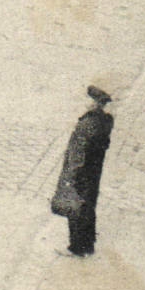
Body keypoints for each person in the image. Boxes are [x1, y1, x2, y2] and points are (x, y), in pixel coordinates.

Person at [54, 85, 114, 257]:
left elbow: (79, 150)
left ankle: (77, 246)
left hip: (81, 170)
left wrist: (74, 172)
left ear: (94, 103)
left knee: (76, 206)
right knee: (87, 205)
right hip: (93, 170)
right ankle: (87, 244)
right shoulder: (105, 120)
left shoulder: (88, 123)